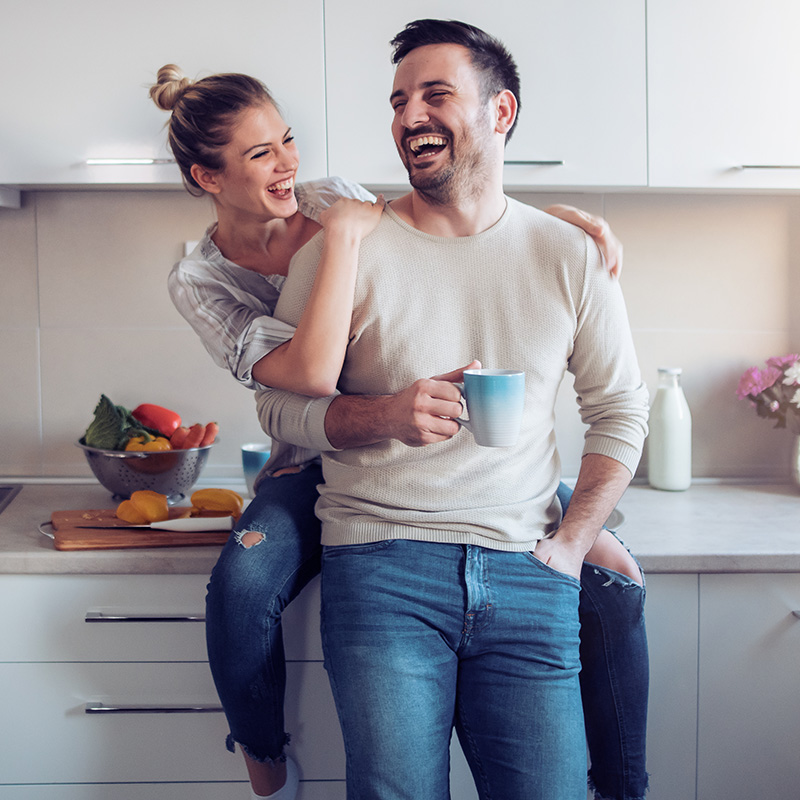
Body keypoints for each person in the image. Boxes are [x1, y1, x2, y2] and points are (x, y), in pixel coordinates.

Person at [153, 61, 643, 800]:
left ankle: (623, 783)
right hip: (318, 459)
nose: (286, 163)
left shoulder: (333, 199)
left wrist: (556, 230)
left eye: (286, 142)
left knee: (616, 574)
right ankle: (261, 754)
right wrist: (346, 247)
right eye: (259, 155)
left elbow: (458, 205)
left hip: (482, 506)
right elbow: (303, 382)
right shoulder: (209, 275)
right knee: (245, 582)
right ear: (208, 176)